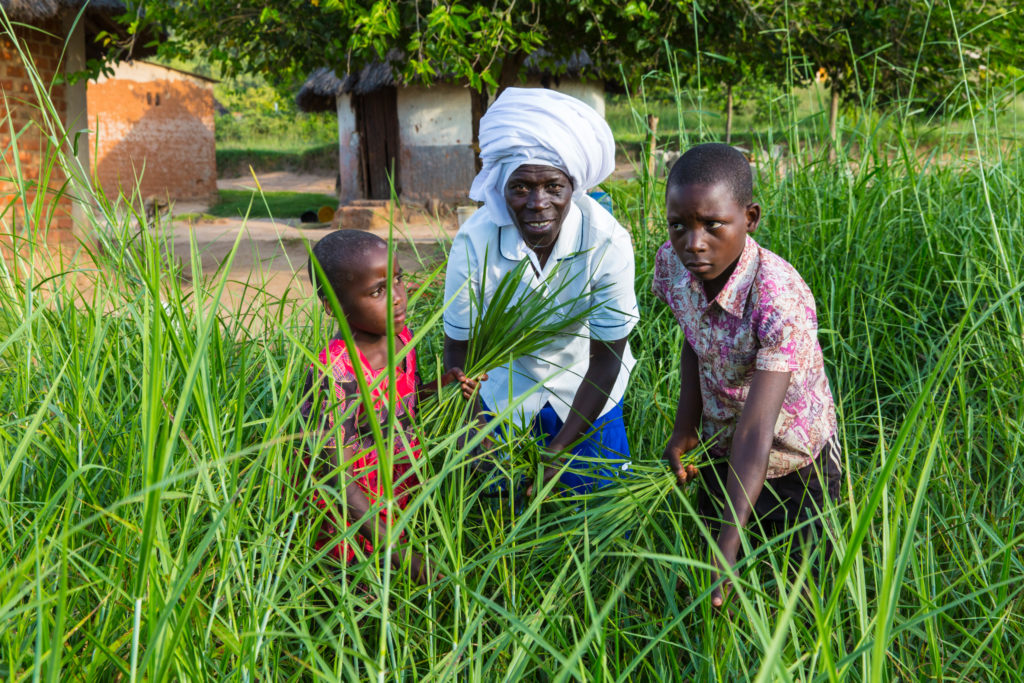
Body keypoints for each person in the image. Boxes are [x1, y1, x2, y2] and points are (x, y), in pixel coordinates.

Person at [652, 143, 841, 607]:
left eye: (713, 225)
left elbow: (758, 433)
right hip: (723, 447)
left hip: (796, 465)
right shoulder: (672, 264)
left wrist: (726, 545)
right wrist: (685, 427)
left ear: (750, 218)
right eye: (679, 226)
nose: (694, 242)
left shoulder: (778, 297)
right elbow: (693, 337)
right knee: (723, 599)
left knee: (797, 599)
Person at [443, 87, 639, 497]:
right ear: (501, 189)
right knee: (502, 518)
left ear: (573, 188)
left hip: (588, 392)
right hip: (505, 396)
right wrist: (474, 426)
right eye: (521, 188)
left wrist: (560, 450)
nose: (537, 203)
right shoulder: (474, 242)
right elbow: (458, 353)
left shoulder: (606, 242)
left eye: (553, 186)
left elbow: (606, 359)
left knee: (593, 516)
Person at [300, 229, 477, 584]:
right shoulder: (336, 372)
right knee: (361, 589)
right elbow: (334, 477)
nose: (397, 298)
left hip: (400, 485)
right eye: (378, 291)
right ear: (333, 305)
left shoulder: (402, 338)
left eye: (397, 280)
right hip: (354, 507)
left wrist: (442, 387)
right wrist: (399, 552)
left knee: (399, 594)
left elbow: (402, 407)